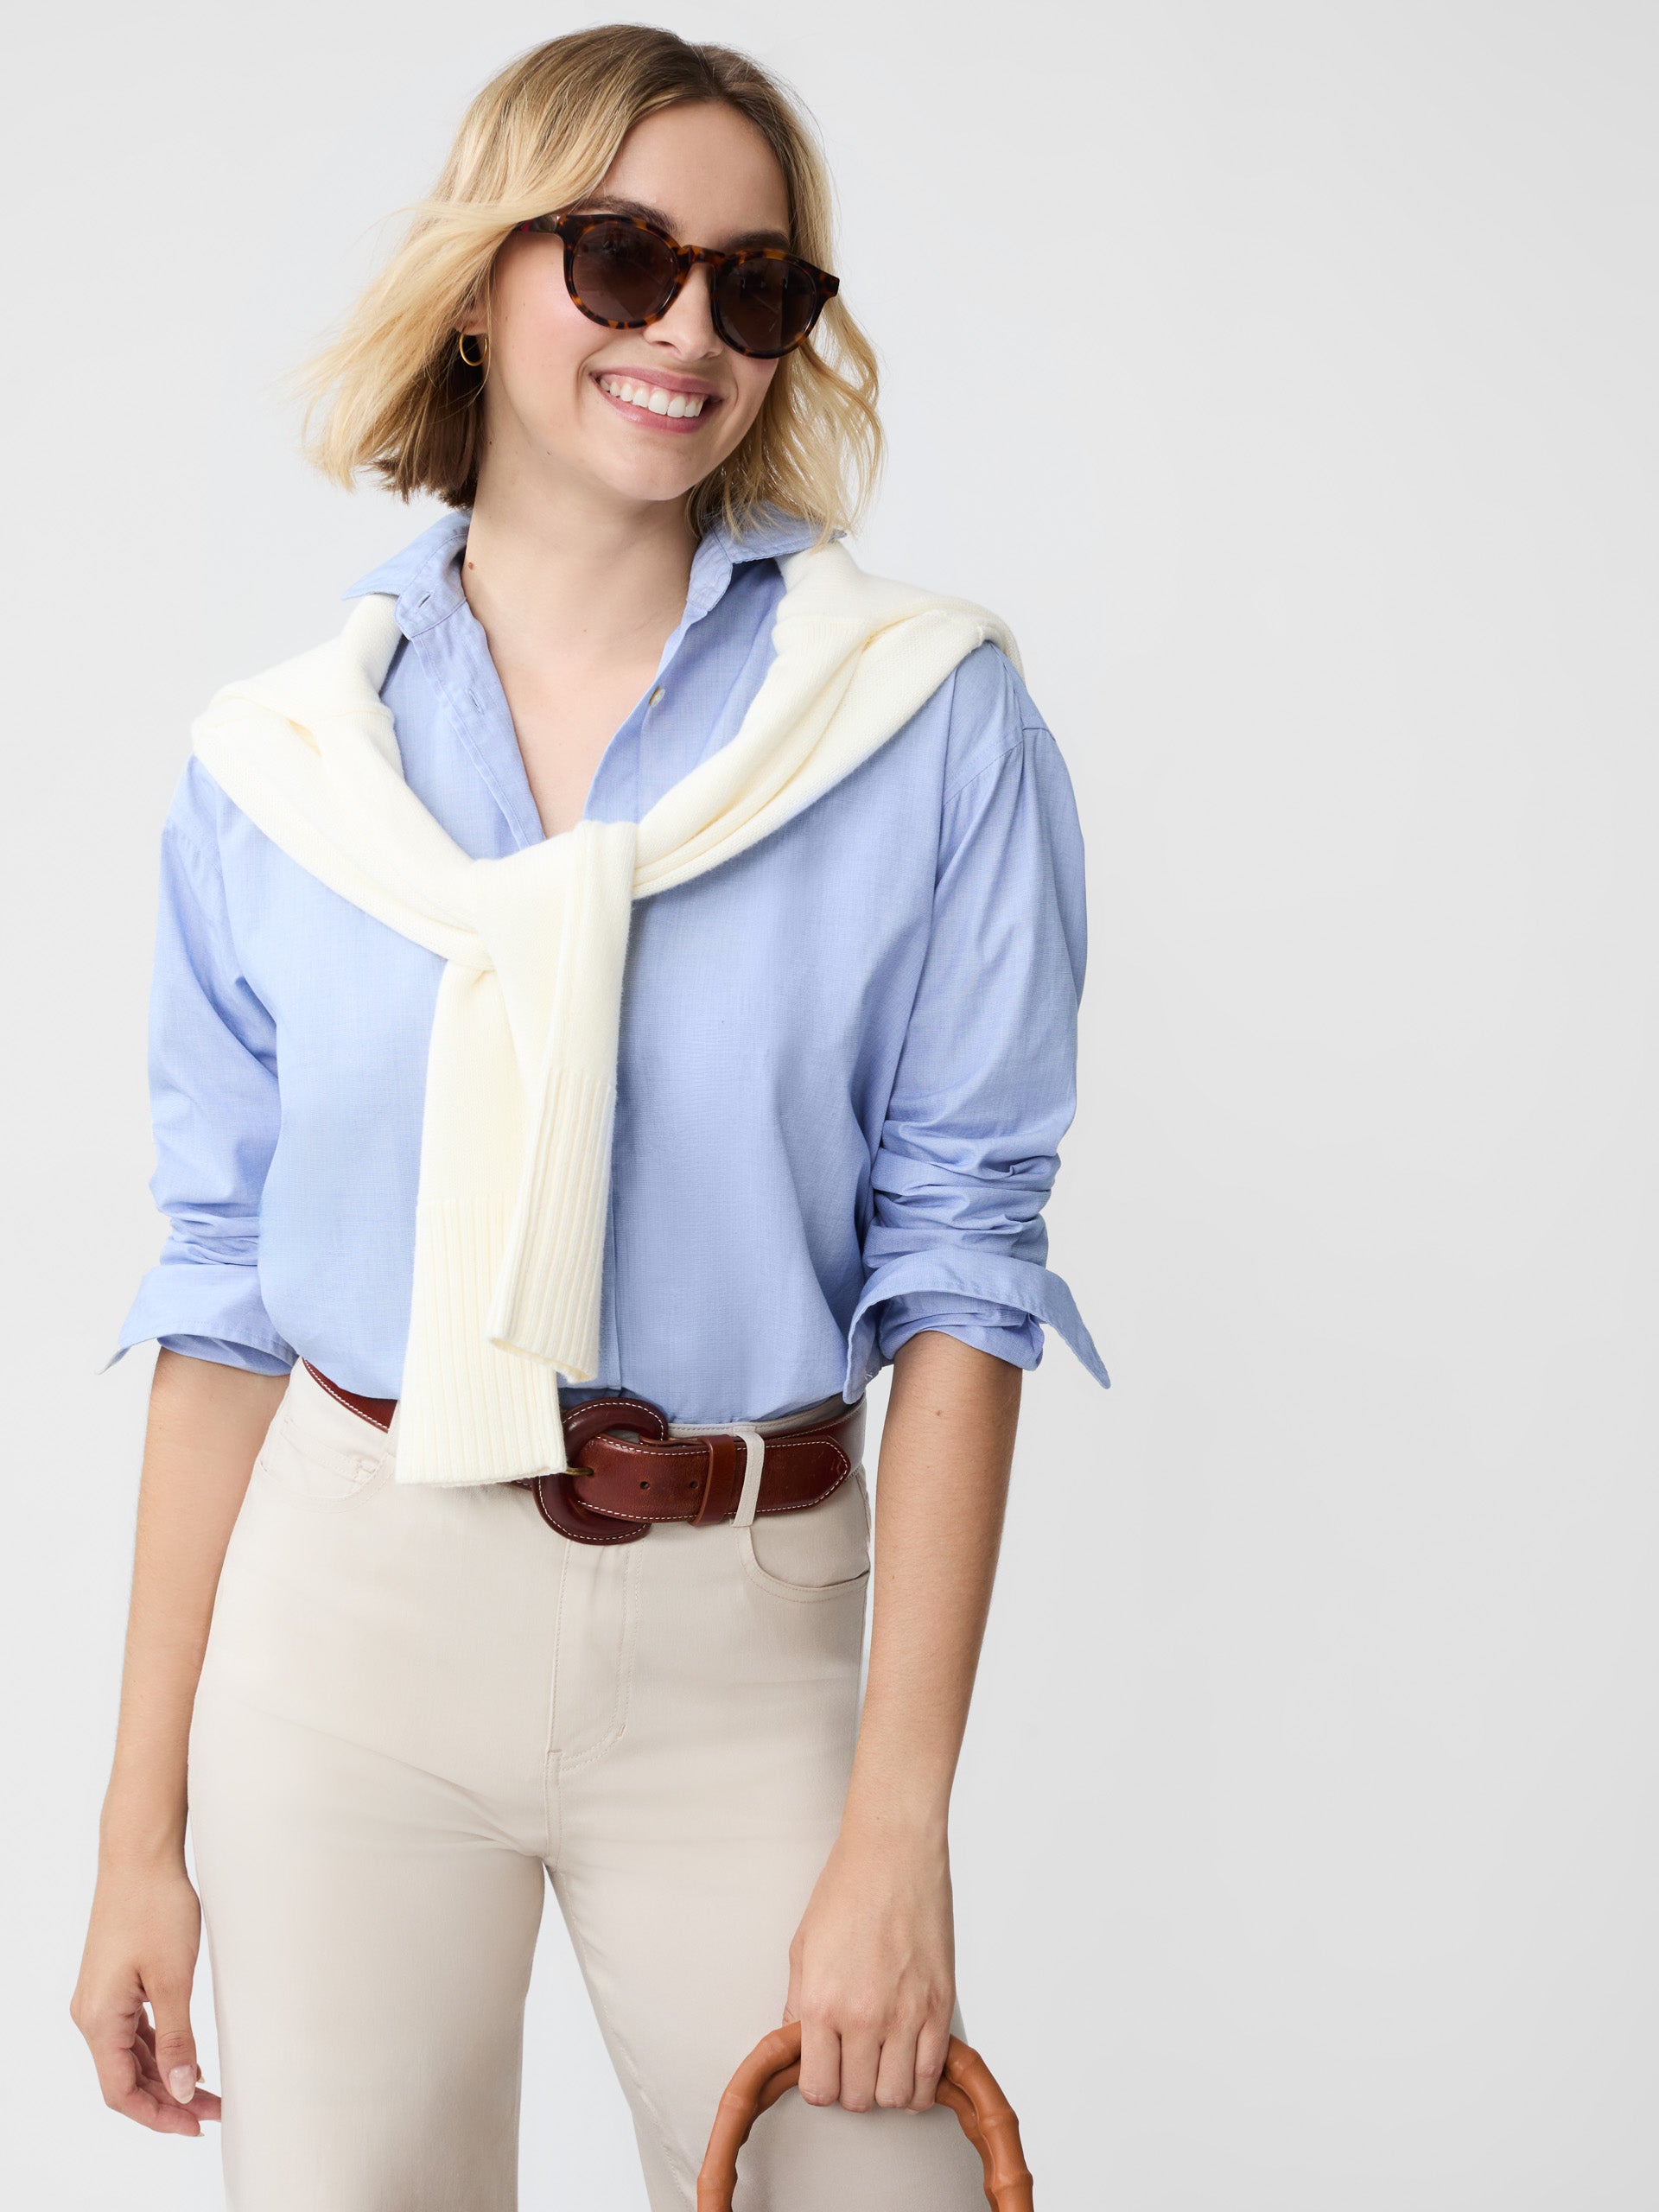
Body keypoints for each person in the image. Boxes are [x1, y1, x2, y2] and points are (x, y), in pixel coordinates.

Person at [71, 25, 1108, 2211]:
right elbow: (223, 1295)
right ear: (484, 278)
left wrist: (899, 1825)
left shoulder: (921, 723)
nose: (687, 331)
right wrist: (136, 1830)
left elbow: (963, 1272)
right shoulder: (283, 771)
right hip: (346, 1623)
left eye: (757, 285)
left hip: (747, 1625)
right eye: (625, 257)